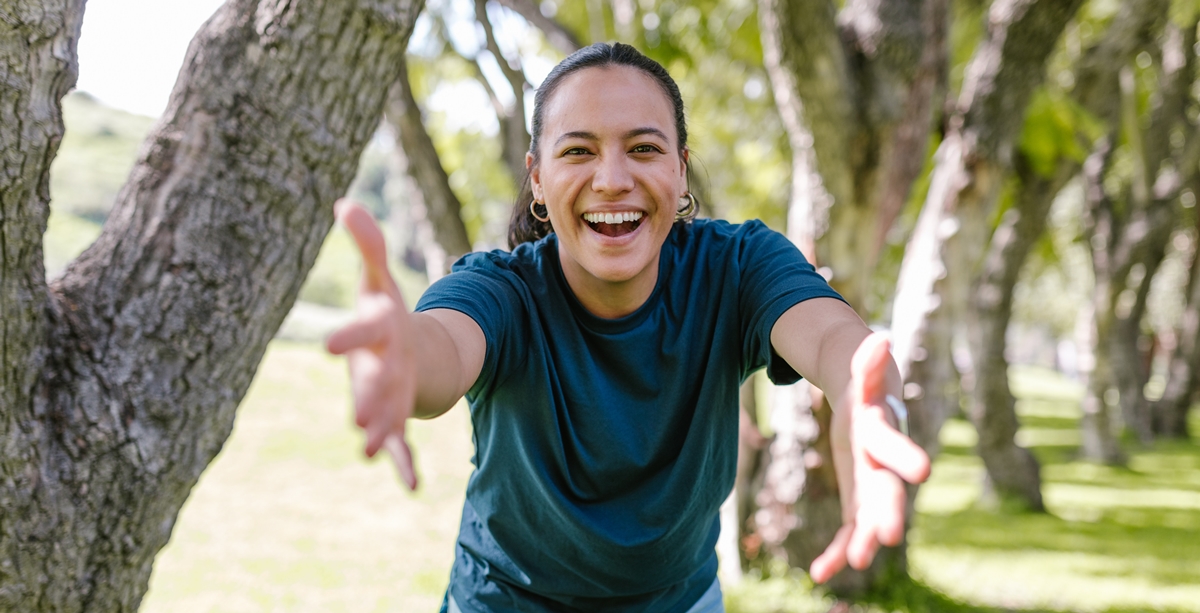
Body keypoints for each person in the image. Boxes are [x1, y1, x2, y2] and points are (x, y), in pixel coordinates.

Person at [326, 42, 930, 613]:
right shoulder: (501, 290)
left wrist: (865, 398)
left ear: (681, 169)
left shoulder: (739, 266)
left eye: (643, 148)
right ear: (537, 177)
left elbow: (832, 339)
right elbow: (444, 347)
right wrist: (400, 353)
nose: (612, 178)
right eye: (578, 151)